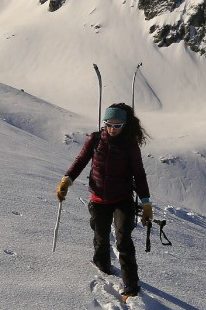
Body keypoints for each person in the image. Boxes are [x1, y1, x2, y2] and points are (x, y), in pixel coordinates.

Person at [57, 103, 152, 299]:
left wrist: (146, 202)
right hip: (98, 198)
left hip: (122, 199)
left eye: (117, 125)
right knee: (100, 238)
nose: (112, 129)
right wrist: (67, 180)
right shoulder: (96, 139)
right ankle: (102, 268)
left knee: (123, 240)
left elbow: (139, 174)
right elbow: (81, 161)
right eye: (109, 124)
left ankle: (131, 287)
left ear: (125, 125)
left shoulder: (129, 145)